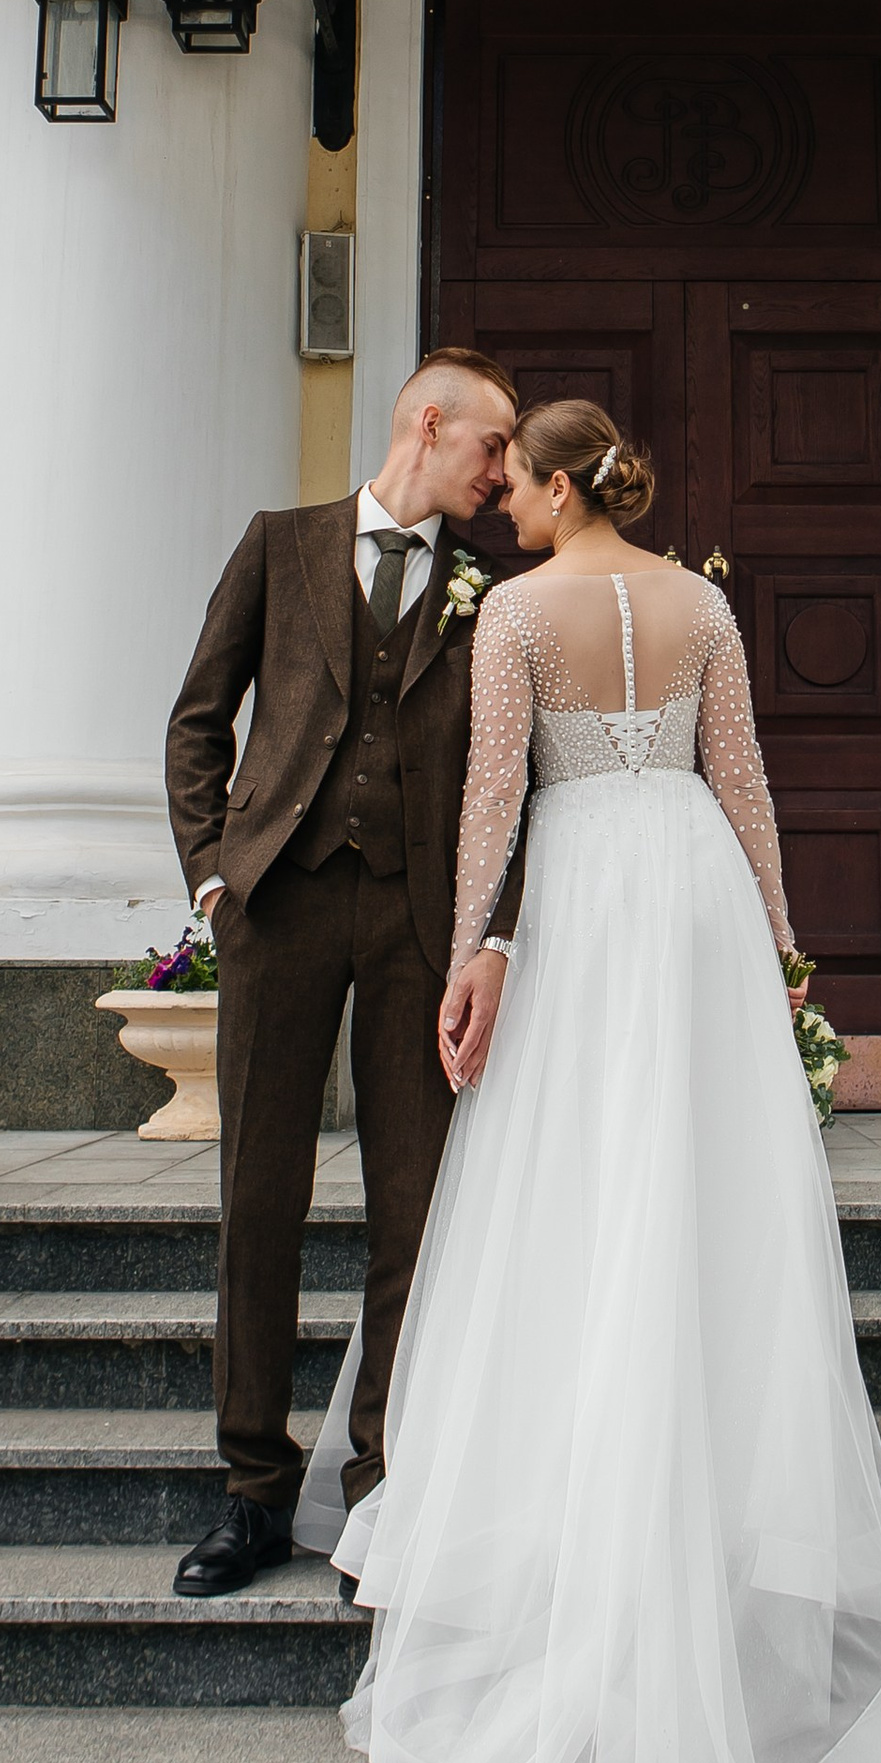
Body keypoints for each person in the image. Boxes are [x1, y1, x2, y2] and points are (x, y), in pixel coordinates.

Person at [305, 396, 881, 1763]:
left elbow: (496, 805)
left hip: (584, 895)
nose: (500, 496)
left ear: (563, 478)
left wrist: (471, 952)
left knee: (574, 1188)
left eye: (516, 476)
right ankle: (706, 1489)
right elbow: (749, 787)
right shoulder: (701, 601)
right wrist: (784, 948)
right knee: (700, 1186)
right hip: (695, 895)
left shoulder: (518, 614)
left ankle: (579, 1494)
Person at [163, 347, 522, 1600]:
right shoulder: (281, 543)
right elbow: (198, 716)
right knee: (258, 1200)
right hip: (282, 907)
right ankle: (252, 1491)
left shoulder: (491, 588)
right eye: (492, 444)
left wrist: (489, 931)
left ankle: (381, 1492)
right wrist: (213, 873)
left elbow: (504, 781)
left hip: (421, 926)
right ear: (429, 422)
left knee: (412, 1215)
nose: (503, 470)